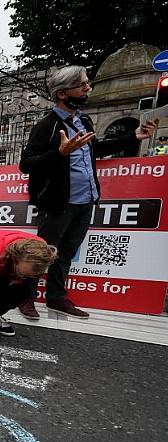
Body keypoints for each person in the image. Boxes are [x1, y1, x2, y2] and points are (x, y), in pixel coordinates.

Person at [18, 65, 158, 320]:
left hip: (86, 200)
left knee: (66, 254)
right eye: (81, 84)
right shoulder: (47, 126)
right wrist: (59, 153)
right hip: (58, 203)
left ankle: (55, 299)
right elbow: (26, 164)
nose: (87, 88)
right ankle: (25, 299)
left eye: (87, 83)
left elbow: (96, 150)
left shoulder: (83, 120)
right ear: (62, 93)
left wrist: (134, 136)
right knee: (40, 254)